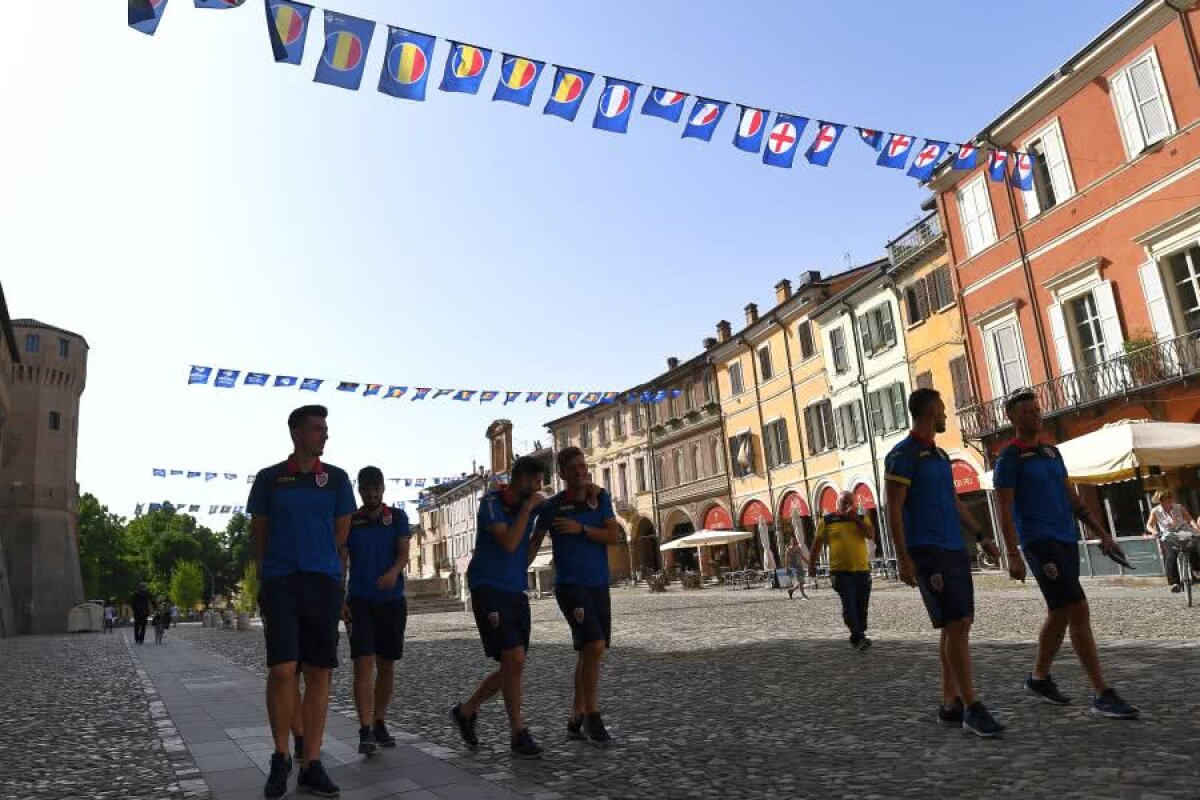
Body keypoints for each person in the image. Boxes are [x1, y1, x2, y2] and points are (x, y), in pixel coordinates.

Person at [995, 389, 1139, 719]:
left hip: (1064, 538)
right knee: (1077, 606)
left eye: (1037, 410)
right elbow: (1003, 508)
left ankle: (1039, 677)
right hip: (1038, 541)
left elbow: (1071, 496)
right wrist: (1013, 554)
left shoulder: (1051, 453)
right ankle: (1102, 692)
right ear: (1013, 419)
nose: (1036, 416)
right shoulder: (1009, 458)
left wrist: (1102, 534)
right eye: (1028, 412)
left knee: (1059, 611)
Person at [249, 405, 356, 799]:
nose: (324, 435)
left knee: (318, 673)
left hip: (322, 583)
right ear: (296, 433)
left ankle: (311, 762)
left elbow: (341, 535)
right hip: (280, 581)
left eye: (326, 429)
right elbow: (259, 531)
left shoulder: (338, 480)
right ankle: (280, 756)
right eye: (317, 429)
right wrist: (266, 571)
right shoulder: (269, 479)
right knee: (282, 669)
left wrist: (329, 573)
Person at [885, 388, 1004, 738]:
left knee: (959, 625)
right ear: (928, 411)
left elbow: (954, 502)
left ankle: (950, 702)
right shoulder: (902, 456)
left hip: (953, 547)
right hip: (927, 549)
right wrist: (903, 556)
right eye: (941, 410)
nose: (945, 415)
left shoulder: (938, 456)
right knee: (956, 622)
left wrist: (981, 535)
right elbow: (893, 508)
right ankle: (972, 706)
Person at [450, 456, 547, 759]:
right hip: (488, 588)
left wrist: (540, 529)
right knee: (514, 657)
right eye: (536, 482)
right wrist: (530, 510)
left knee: (513, 665)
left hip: (515, 589)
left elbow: (523, 556)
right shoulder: (492, 502)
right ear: (522, 481)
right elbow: (507, 542)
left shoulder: (529, 508)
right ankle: (518, 733)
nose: (539, 488)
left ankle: (466, 711)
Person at [530, 447, 621, 747]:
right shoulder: (552, 507)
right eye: (574, 469)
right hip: (570, 586)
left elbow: (613, 536)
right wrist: (514, 570)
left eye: (583, 466)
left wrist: (581, 529)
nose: (581, 472)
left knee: (590, 652)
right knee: (593, 645)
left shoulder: (600, 498)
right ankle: (593, 717)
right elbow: (531, 544)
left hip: (598, 585)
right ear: (562, 475)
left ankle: (575, 718)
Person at [341, 466, 411, 755]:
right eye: (366, 489)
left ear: (383, 488)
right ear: (360, 491)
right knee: (363, 664)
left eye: (376, 488)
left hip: (392, 601)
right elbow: (341, 560)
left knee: (387, 664)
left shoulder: (396, 517)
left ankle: (380, 720)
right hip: (360, 601)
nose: (371, 494)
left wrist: (393, 572)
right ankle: (365, 729)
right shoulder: (350, 521)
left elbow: (404, 553)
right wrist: (339, 597)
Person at [809, 491, 874, 650]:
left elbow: (871, 534)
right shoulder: (827, 520)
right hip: (840, 572)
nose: (847, 505)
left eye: (850, 502)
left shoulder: (860, 517)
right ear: (836, 502)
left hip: (862, 570)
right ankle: (858, 637)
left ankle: (859, 635)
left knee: (862, 605)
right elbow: (817, 544)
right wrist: (811, 563)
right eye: (844, 501)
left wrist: (855, 520)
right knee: (849, 604)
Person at [1145, 489, 1200, 593]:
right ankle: (1175, 583)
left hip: (1184, 532)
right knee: (1171, 555)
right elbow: (1149, 525)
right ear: (1160, 501)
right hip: (1168, 535)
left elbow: (1190, 519)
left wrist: (1195, 527)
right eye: (1164, 500)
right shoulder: (1156, 511)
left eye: (1169, 499)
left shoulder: (1179, 507)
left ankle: (1197, 569)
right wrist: (1154, 532)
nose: (1168, 502)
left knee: (1192, 547)